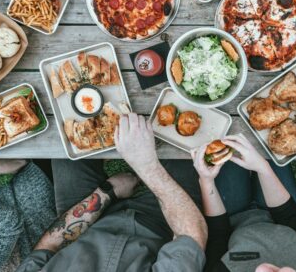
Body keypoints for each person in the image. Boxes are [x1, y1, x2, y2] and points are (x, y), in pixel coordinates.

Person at [17, 113, 207, 272]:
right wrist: (146, 165)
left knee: (69, 129)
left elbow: (48, 246)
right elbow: (191, 236)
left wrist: (106, 192)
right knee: (187, 138)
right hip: (161, 223)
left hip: (83, 225)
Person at [191, 134, 296, 271]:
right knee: (272, 141)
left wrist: (206, 181)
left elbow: (218, 234)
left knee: (221, 139)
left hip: (231, 218)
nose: (262, 269)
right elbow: (291, 217)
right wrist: (263, 168)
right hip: (281, 216)